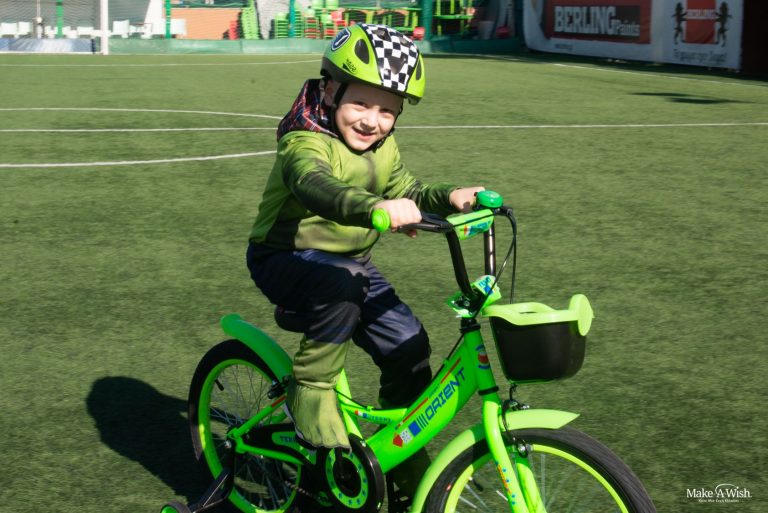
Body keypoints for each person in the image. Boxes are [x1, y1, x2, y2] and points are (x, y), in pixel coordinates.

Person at [245, 23, 484, 508]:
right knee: (347, 282)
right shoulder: (304, 140)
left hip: (349, 265)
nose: (372, 121)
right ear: (330, 90)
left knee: (408, 343)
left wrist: (450, 197)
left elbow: (408, 190)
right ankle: (310, 389)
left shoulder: (383, 147)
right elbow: (315, 185)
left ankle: (402, 452)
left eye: (387, 111)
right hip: (284, 256)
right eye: (360, 103)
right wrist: (374, 208)